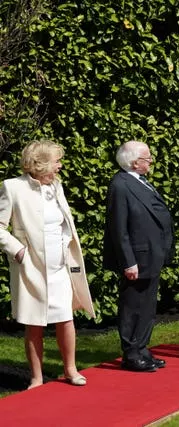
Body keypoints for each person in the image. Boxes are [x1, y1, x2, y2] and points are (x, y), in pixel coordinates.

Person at [0, 140, 95, 389]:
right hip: (31, 267)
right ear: (40, 164)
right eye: (56, 161)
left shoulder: (56, 186)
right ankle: (36, 378)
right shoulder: (12, 187)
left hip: (59, 266)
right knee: (34, 323)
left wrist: (67, 247)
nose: (60, 166)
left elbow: (63, 223)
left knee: (65, 319)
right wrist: (18, 252)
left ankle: (71, 370)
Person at [103, 141, 174, 372]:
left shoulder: (140, 182)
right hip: (137, 258)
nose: (150, 161)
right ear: (134, 162)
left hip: (151, 255)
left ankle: (142, 348)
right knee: (133, 305)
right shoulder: (120, 185)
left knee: (147, 306)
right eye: (146, 158)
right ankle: (131, 353)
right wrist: (128, 261)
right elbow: (118, 228)